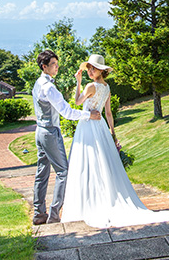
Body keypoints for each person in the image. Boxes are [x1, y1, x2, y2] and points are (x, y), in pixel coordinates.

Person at [61, 54, 169, 228]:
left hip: (88, 126)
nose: (90, 71)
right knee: (102, 163)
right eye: (89, 68)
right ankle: (100, 198)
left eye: (94, 68)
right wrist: (112, 134)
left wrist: (78, 81)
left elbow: (76, 101)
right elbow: (108, 114)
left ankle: (90, 202)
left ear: (101, 71)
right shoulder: (107, 87)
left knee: (88, 163)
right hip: (101, 127)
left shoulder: (90, 86)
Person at [32, 49, 101, 225]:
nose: (57, 67)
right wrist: (88, 115)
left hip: (39, 131)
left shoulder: (38, 83)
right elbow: (67, 112)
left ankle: (39, 213)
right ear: (44, 66)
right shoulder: (49, 87)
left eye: (57, 63)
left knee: (42, 173)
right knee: (63, 172)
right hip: (50, 133)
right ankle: (54, 214)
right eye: (53, 64)